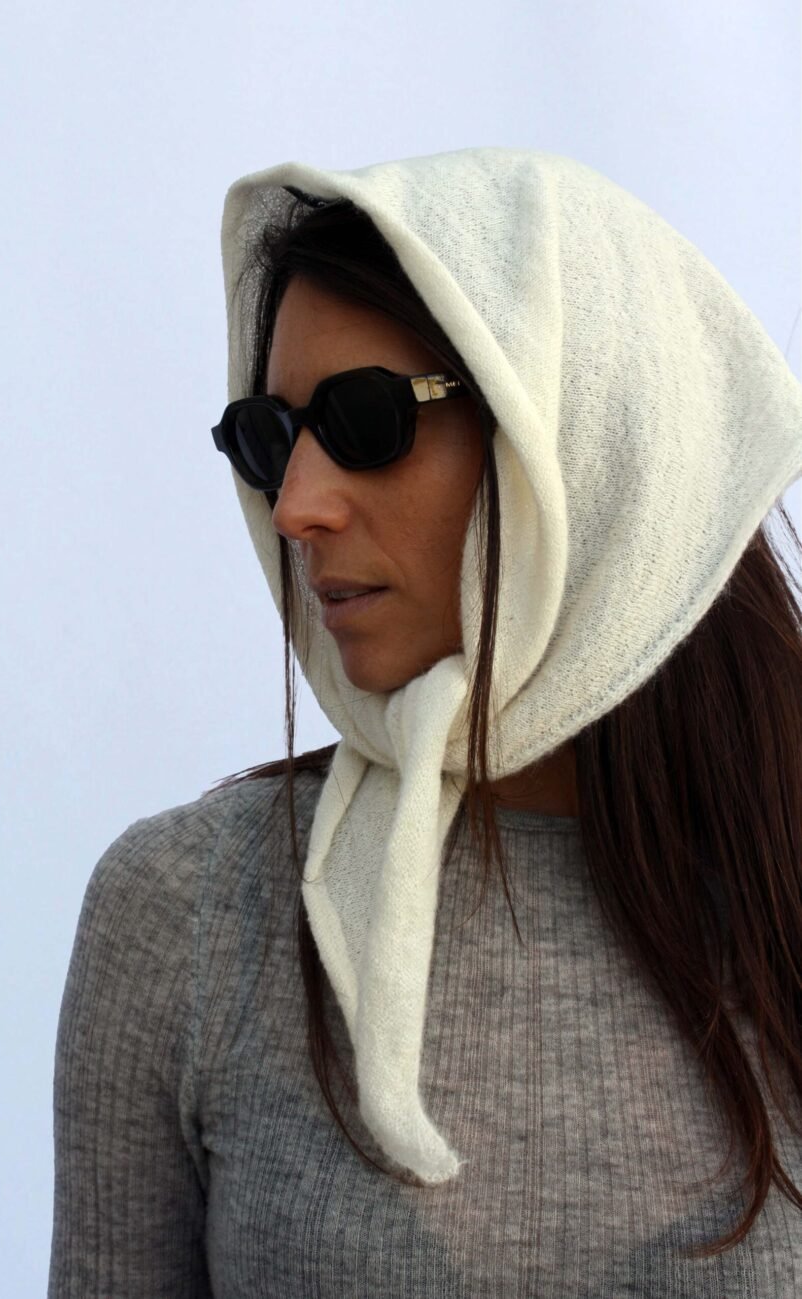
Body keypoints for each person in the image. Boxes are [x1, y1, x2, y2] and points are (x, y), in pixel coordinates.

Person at [48, 148, 802, 1296]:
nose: (294, 506)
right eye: (266, 439)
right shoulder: (188, 912)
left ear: (590, 437)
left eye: (364, 421)